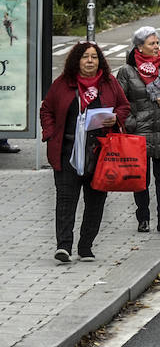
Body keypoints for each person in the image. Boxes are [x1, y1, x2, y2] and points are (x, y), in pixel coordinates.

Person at [40, 42, 131, 263]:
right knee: (65, 200)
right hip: (67, 150)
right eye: (85, 57)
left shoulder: (108, 84)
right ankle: (63, 246)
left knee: (96, 201)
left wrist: (116, 117)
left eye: (94, 57)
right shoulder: (63, 84)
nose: (90, 61)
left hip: (100, 152)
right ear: (76, 61)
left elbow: (124, 106)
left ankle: (86, 245)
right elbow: (47, 110)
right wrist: (51, 134)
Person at [115, 26, 160, 234]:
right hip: (139, 133)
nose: (156, 47)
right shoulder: (127, 71)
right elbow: (120, 102)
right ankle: (143, 218)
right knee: (140, 178)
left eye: (157, 42)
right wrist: (132, 124)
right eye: (151, 43)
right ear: (139, 46)